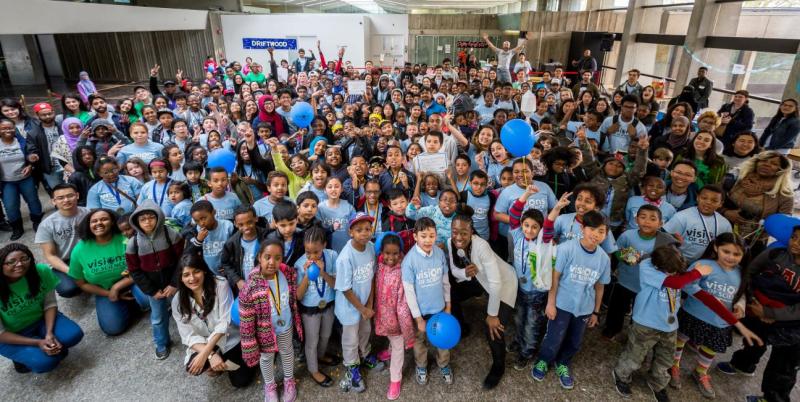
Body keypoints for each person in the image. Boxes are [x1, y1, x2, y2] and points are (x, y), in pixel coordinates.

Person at [671, 233, 763, 399]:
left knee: (711, 347)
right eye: (726, 251)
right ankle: (674, 364)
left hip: (719, 321)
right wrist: (708, 298)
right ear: (715, 248)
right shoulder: (703, 264)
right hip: (693, 314)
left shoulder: (742, 273)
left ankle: (700, 371)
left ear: (743, 255)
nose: (731, 257)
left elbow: (741, 293)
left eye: (736, 254)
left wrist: (740, 305)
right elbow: (686, 285)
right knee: (680, 339)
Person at [717, 226, 800, 402]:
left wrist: (770, 312)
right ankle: (743, 365)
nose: (796, 243)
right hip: (759, 307)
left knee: (783, 365)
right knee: (753, 339)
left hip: (793, 325)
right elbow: (750, 272)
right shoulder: (776, 254)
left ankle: (773, 398)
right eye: (794, 237)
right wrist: (754, 302)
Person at [531, 210, 611, 389]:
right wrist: (551, 303)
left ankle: (563, 363)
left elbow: (600, 286)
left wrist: (596, 312)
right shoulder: (566, 249)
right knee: (554, 338)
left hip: (584, 308)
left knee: (575, 341)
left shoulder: (604, 259)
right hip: (561, 305)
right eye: (592, 229)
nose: (596, 235)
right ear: (582, 228)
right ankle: (544, 360)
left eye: (602, 231)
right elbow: (555, 277)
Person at [447, 209, 517, 389]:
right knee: (451, 293)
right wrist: (465, 272)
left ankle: (499, 367)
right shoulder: (450, 241)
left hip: (505, 283)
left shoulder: (482, 246)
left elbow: (496, 283)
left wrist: (492, 314)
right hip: (481, 278)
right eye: (455, 232)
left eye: (464, 232)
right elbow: (454, 270)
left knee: (493, 328)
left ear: (472, 232)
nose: (459, 237)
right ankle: (461, 327)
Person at [172, 253, 257, 388]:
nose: (192, 278)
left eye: (196, 272)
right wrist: (211, 355)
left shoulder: (220, 284)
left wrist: (206, 354)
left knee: (240, 381)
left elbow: (225, 323)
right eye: (186, 275)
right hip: (206, 342)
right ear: (181, 278)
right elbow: (187, 335)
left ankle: (243, 356)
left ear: (204, 270)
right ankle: (217, 362)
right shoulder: (178, 301)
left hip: (229, 339)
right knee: (192, 366)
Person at [0, 243, 84, 373]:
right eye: (11, 262)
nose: (19, 264)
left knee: (73, 335)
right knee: (46, 363)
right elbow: (1, 333)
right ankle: (23, 358)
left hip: (40, 320)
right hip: (10, 334)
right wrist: (37, 343)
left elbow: (49, 304)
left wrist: (49, 333)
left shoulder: (41, 271)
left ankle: (44, 341)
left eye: (24, 259)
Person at [239, 238, 303, 402]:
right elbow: (246, 321)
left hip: (285, 325)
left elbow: (292, 300)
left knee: (287, 351)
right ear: (259, 257)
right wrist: (250, 343)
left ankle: (289, 380)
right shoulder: (251, 285)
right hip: (264, 331)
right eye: (267, 257)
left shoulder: (287, 274)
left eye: (277, 257)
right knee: (266, 358)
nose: (272, 262)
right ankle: (269, 385)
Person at [69, 208, 148, 335]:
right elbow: (81, 283)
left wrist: (116, 287)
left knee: (148, 300)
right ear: (89, 225)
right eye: (94, 221)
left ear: (112, 222)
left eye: (104, 219)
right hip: (104, 290)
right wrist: (108, 293)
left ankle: (135, 301)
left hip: (134, 280)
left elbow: (143, 266)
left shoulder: (126, 238)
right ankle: (129, 304)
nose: (98, 223)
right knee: (113, 328)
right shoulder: (79, 250)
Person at [126, 200, 184, 359]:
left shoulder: (170, 234)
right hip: (154, 288)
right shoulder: (133, 243)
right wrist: (151, 291)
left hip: (175, 282)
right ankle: (161, 342)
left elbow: (183, 259)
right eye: (142, 219)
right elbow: (134, 270)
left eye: (151, 217)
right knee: (158, 318)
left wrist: (175, 283)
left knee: (185, 310)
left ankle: (192, 338)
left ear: (159, 217)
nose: (147, 222)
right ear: (136, 222)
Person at [335, 213, 382, 393]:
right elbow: (345, 289)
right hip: (350, 307)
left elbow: (371, 277)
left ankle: (365, 354)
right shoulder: (345, 257)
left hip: (364, 305)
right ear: (350, 232)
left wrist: (369, 305)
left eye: (368, 229)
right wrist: (362, 308)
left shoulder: (370, 247)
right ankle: (352, 367)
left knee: (365, 331)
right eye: (359, 230)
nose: (364, 233)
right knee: (350, 338)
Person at [721, 151, 793, 255]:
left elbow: (784, 224)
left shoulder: (784, 193)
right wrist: (725, 212)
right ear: (756, 162)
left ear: (781, 170)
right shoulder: (738, 177)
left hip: (753, 242)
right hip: (722, 230)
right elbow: (713, 198)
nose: (766, 164)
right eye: (763, 160)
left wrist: (761, 225)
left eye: (774, 163)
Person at [294, 226, 339, 388]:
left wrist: (323, 273)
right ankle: (313, 370)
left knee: (326, 335)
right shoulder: (300, 264)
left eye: (317, 252)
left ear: (324, 245)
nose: (312, 257)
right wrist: (307, 275)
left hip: (328, 304)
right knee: (312, 340)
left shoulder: (332, 256)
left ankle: (320, 356)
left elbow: (336, 285)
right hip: (310, 310)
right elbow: (298, 296)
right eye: (308, 252)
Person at [374, 233, 414, 400]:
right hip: (382, 316)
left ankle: (395, 379)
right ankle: (390, 350)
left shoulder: (402, 271)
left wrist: (408, 333)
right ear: (381, 252)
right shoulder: (379, 265)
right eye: (387, 253)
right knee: (392, 341)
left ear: (401, 252)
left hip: (397, 321)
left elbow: (403, 305)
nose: (391, 257)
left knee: (399, 347)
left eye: (395, 253)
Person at [35, 183, 90, 299]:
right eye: (60, 198)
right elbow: (50, 255)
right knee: (68, 289)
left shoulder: (89, 213)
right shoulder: (46, 225)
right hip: (65, 261)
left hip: (89, 256)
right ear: (53, 201)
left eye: (70, 196)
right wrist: (72, 271)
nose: (66, 200)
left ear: (77, 195)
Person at [0, 118, 44, 240]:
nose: (8, 130)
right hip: (7, 182)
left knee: (33, 201)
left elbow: (31, 154)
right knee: (10, 206)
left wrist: (31, 163)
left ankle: (37, 222)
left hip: (26, 178)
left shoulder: (22, 141)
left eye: (10, 127)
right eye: (4, 128)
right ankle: (17, 228)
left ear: (15, 129)